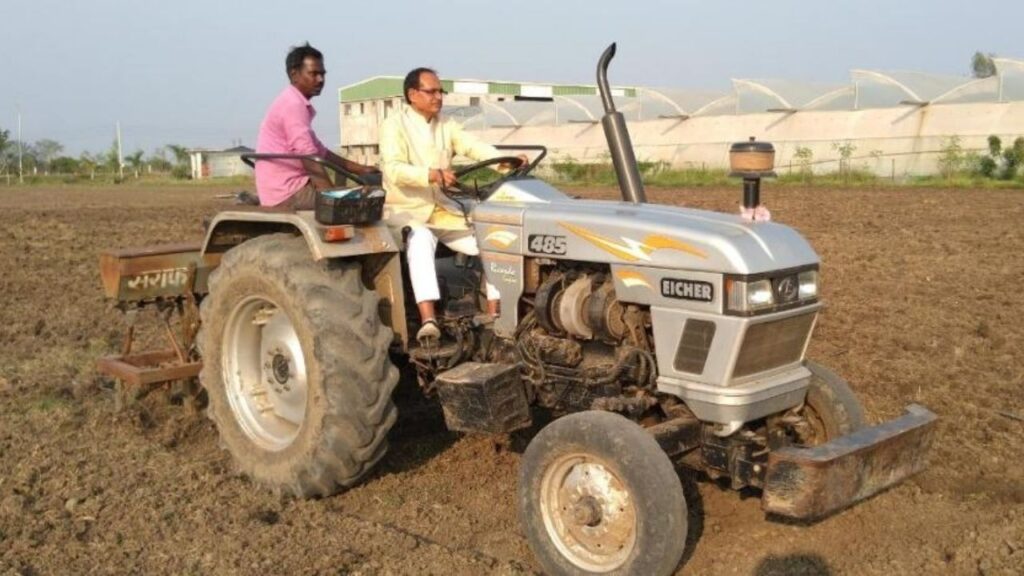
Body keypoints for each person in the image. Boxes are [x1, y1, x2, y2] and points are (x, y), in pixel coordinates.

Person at [379, 67, 528, 344]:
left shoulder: (445, 125)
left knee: (491, 240)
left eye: (440, 91)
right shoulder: (394, 125)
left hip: (443, 210)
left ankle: (498, 316)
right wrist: (431, 174)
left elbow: (474, 147)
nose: (438, 97)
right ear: (413, 94)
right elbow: (394, 169)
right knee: (421, 238)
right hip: (406, 210)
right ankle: (428, 319)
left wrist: (506, 160)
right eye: (431, 91)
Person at [255, 43, 377, 209]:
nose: (320, 79)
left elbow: (320, 151)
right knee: (363, 203)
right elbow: (308, 156)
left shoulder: (293, 101)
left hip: (293, 186)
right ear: (294, 74)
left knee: (353, 195)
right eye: (313, 74)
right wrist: (332, 197)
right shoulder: (293, 105)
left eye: (322, 74)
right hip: (289, 192)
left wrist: (361, 169)